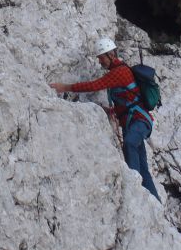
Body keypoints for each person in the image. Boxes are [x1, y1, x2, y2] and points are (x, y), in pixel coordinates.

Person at [49, 37, 160, 201]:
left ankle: (134, 189)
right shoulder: (118, 72)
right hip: (134, 123)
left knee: (129, 144)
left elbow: (94, 85)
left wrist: (65, 87)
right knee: (143, 168)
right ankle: (154, 203)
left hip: (138, 121)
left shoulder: (120, 72)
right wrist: (111, 110)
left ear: (111, 54)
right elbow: (128, 99)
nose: (100, 62)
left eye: (101, 57)